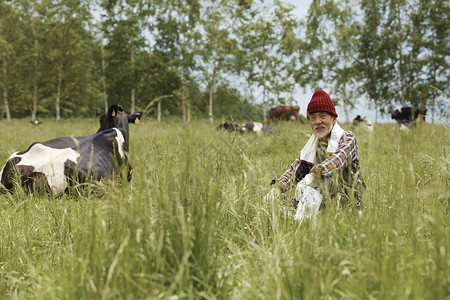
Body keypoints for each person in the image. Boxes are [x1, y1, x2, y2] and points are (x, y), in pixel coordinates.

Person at [265, 90, 366, 221]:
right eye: (313, 118)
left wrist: (311, 177)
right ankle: (302, 216)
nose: (317, 121)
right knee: (285, 201)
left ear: (333, 119)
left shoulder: (347, 138)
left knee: (324, 180)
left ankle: (302, 219)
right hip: (325, 198)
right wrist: (278, 188)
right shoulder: (312, 145)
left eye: (322, 116)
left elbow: (336, 162)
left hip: (349, 201)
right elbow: (295, 169)